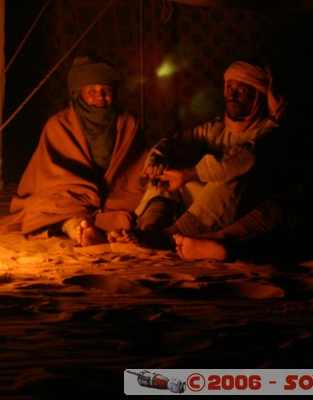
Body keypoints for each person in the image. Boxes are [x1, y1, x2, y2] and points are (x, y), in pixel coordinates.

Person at [124, 59, 301, 261]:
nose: (231, 95)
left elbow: (244, 158)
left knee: (231, 174)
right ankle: (151, 227)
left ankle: (168, 236)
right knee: (167, 171)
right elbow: (172, 144)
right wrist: (157, 163)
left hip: (245, 205)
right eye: (228, 87)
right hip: (209, 205)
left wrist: (189, 174)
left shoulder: (272, 131)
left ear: (258, 95)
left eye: (241, 90)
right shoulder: (216, 128)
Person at [1, 53, 149, 245]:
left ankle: (100, 227)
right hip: (72, 194)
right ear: (79, 93)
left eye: (106, 90)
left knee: (150, 202)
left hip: (116, 195)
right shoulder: (59, 124)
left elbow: (136, 170)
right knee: (47, 205)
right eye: (92, 91)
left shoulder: (129, 122)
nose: (100, 97)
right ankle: (78, 227)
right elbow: (50, 175)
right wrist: (84, 192)